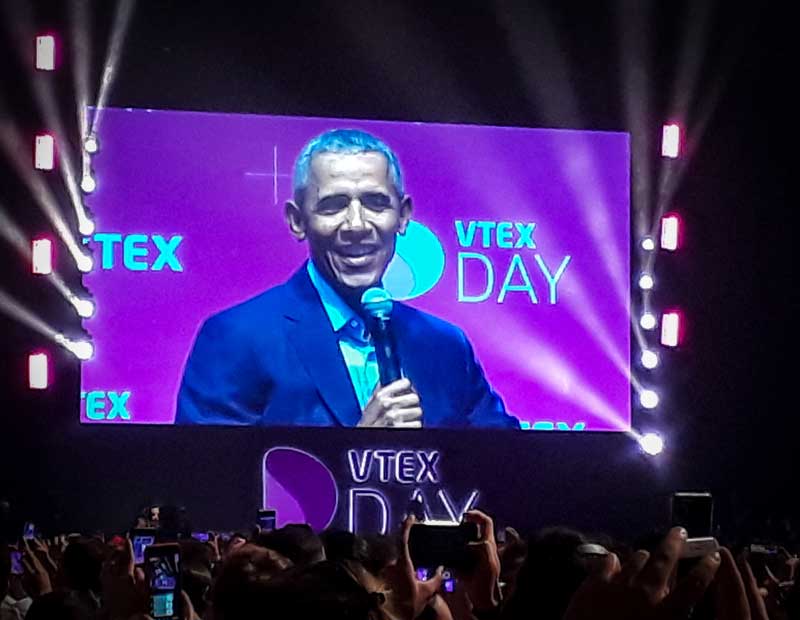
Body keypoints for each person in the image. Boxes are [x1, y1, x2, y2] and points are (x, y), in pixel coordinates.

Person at [176, 129, 519, 428]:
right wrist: (361, 449)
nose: (356, 225)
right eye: (333, 206)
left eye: (375, 203)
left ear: (403, 216)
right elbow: (212, 481)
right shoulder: (237, 337)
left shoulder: (445, 346)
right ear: (297, 221)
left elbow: (505, 466)